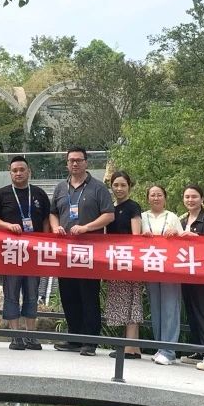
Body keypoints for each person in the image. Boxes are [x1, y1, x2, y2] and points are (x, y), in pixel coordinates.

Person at [50, 146, 114, 356]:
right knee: (68, 295)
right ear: (67, 163)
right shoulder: (61, 188)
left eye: (79, 160)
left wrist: (87, 227)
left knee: (89, 295)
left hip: (90, 252)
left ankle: (90, 341)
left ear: (86, 162)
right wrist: (55, 227)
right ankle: (74, 338)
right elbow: (53, 213)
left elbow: (108, 215)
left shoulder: (98, 188)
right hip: (65, 252)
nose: (75, 163)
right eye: (71, 160)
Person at [0, 155, 51, 351]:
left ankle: (31, 335)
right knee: (11, 293)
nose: (18, 173)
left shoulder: (39, 193)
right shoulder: (1, 194)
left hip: (33, 252)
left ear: (29, 171)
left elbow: (46, 220)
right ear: (10, 173)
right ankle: (15, 336)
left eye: (22, 170)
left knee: (32, 293)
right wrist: (8, 225)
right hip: (11, 252)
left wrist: (45, 242)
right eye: (14, 170)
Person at [103, 171, 144, 360]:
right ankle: (133, 346)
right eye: (116, 185)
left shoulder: (133, 207)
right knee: (124, 302)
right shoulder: (110, 208)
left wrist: (132, 260)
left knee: (132, 302)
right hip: (115, 261)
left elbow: (136, 236)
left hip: (129, 260)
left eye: (123, 185)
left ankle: (129, 348)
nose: (119, 189)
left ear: (129, 187)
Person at [141, 184, 183, 366]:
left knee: (170, 307)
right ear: (147, 198)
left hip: (170, 268)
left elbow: (184, 241)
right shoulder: (142, 217)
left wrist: (176, 233)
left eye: (159, 195)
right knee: (156, 307)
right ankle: (160, 347)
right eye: (152, 195)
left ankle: (169, 351)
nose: (156, 198)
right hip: (150, 266)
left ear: (165, 198)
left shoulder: (172, 216)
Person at [178, 184, 204, 368]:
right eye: (187, 197)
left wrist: (197, 239)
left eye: (194, 197)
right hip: (186, 271)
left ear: (202, 199)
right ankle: (198, 349)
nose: (190, 200)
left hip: (203, 274)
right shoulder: (181, 221)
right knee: (192, 311)